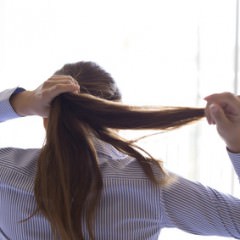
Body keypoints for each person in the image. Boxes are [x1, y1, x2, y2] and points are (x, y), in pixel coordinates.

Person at [0, 61, 240, 240]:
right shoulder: (149, 185)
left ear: (45, 119)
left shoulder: (5, 172)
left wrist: (24, 102)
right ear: (115, 119)